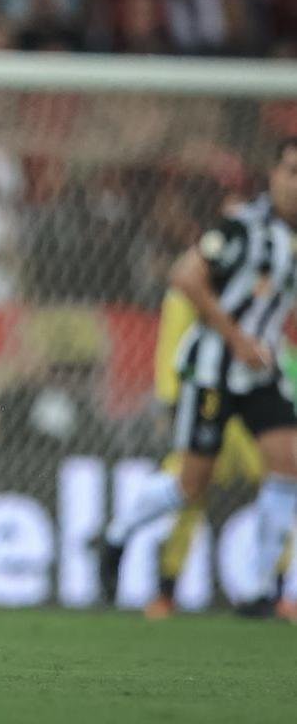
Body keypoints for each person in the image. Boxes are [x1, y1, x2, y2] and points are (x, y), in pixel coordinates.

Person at [99, 139, 297, 619]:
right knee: (191, 484)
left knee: (288, 464)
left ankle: (260, 590)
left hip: (260, 373)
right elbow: (186, 275)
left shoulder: (289, 238)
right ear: (274, 175)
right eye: (292, 171)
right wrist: (237, 338)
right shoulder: (243, 225)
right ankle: (118, 532)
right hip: (214, 368)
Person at [137, 287, 293, 620]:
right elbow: (172, 346)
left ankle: (276, 589)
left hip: (254, 412)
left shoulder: (266, 282)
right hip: (207, 405)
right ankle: (166, 589)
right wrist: (173, 401)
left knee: (283, 484)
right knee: (187, 491)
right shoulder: (187, 293)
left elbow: (278, 343)